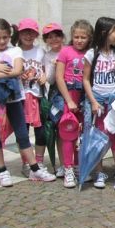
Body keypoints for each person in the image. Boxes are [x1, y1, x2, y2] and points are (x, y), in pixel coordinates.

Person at [0, 19, 56, 186]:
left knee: (22, 134)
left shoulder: (15, 51)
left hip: (16, 99)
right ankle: (2, 171)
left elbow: (17, 71)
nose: (1, 41)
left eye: (5, 37)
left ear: (10, 36)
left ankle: (35, 168)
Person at [83, 17, 115, 190]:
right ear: (103, 32)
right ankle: (99, 172)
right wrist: (93, 101)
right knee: (97, 138)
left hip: (114, 100)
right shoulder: (92, 54)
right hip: (97, 101)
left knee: (114, 136)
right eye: (114, 31)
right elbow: (85, 79)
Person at [56, 19, 93, 188]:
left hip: (85, 96)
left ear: (89, 38)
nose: (79, 40)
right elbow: (59, 77)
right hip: (69, 95)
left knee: (83, 133)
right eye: (76, 36)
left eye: (83, 37)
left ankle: (79, 166)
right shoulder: (65, 51)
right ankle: (68, 168)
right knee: (68, 133)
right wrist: (69, 100)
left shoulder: (91, 53)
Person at [16, 18, 48, 177]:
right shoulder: (14, 51)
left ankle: (39, 161)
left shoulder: (40, 51)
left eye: (32, 32)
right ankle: (27, 163)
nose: (28, 35)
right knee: (23, 132)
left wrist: (44, 76)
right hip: (20, 97)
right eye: (25, 32)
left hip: (37, 96)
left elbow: (44, 69)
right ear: (19, 33)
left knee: (40, 131)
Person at [41, 22, 65, 177]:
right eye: (50, 37)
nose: (54, 39)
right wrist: (55, 66)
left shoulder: (69, 50)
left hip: (72, 91)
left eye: (56, 35)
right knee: (59, 129)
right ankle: (63, 164)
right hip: (56, 95)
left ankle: (75, 163)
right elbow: (49, 80)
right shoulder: (47, 55)